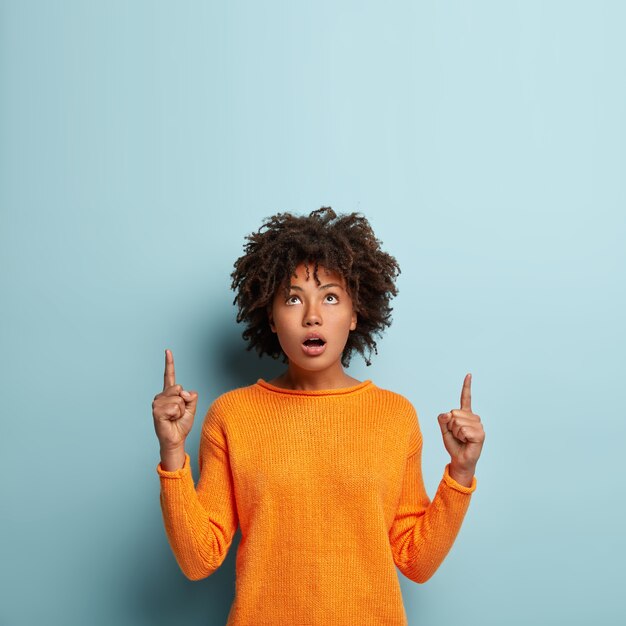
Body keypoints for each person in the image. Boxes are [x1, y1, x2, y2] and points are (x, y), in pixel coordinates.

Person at [152, 207, 485, 625]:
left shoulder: (394, 417)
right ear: (272, 318)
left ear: (355, 314)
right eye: (293, 298)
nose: (312, 314)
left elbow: (416, 560)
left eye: (330, 296)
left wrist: (461, 473)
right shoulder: (232, 416)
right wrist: (171, 453)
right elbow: (199, 559)